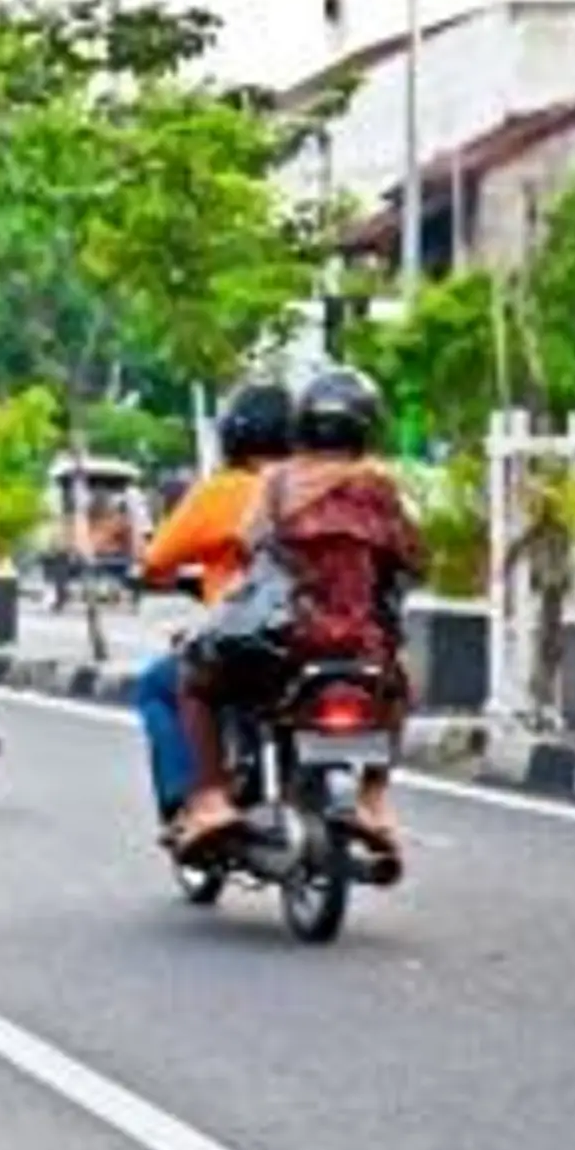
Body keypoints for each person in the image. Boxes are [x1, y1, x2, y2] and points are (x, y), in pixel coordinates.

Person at [172, 367, 424, 882]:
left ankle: (213, 799)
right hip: (363, 648)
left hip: (285, 642)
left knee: (195, 679)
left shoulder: (277, 482)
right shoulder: (381, 488)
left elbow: (247, 543)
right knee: (398, 688)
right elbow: (414, 559)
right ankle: (375, 799)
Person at [132, 381, 293, 825]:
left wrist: (171, 575)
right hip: (326, 638)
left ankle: (193, 801)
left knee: (159, 685)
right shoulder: (325, 488)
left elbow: (155, 560)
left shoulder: (224, 492)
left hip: (251, 637)